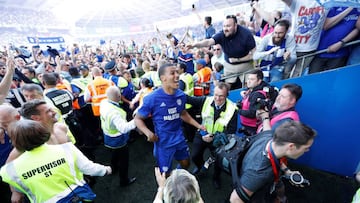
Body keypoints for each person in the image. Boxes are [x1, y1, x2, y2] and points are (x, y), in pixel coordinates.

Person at [0, 119, 112, 203]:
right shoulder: (66, 148)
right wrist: (105, 170)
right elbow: (89, 168)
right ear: (41, 132)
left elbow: (19, 191)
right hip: (79, 196)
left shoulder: (8, 171)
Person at [134, 63, 204, 175]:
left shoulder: (181, 95)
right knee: (165, 174)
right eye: (172, 73)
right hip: (163, 143)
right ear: (163, 78)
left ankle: (176, 177)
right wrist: (148, 133)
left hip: (179, 138)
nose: (177, 75)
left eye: (177, 72)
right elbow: (138, 119)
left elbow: (182, 113)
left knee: (186, 164)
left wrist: (198, 125)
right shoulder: (152, 98)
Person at [229, 120, 316, 203]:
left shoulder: (269, 138)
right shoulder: (259, 172)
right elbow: (235, 199)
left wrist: (287, 171)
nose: (307, 150)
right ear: (291, 146)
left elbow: (267, 130)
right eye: (305, 148)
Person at [187, 82, 238, 189]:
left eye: (221, 96)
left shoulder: (232, 109)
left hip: (217, 140)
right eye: (215, 95)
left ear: (226, 95)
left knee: (218, 161)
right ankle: (201, 166)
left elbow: (231, 130)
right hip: (202, 134)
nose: (217, 98)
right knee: (195, 156)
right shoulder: (206, 100)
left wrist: (214, 138)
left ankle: (216, 177)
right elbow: (189, 99)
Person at [187, 15, 256, 90]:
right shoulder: (222, 34)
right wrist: (194, 45)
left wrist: (238, 60)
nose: (225, 29)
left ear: (235, 25)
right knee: (226, 88)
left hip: (245, 65)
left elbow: (254, 54)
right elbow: (208, 42)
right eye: (224, 26)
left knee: (249, 87)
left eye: (228, 26)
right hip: (229, 66)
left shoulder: (246, 34)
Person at [279, 0, 328, 78]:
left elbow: (327, 23)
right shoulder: (298, 1)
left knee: (296, 76)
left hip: (309, 49)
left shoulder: (326, 3)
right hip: (292, 47)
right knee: (285, 73)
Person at [99, 86, 137, 187]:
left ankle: (113, 169)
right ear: (119, 96)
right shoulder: (115, 113)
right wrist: (136, 120)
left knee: (114, 155)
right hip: (118, 139)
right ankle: (124, 181)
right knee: (124, 161)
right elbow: (123, 128)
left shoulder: (103, 102)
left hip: (107, 135)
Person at [309, 7, 360, 74]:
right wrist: (350, 8)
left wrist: (341, 42)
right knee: (313, 79)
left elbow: (357, 29)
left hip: (340, 52)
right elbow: (326, 25)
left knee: (332, 80)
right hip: (321, 51)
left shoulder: (358, 8)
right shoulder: (333, 5)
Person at [238, 69, 270, 136]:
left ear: (259, 81)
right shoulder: (251, 90)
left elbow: (252, 113)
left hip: (252, 129)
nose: (248, 81)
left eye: (252, 79)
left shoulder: (257, 95)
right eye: (248, 79)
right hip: (249, 127)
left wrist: (238, 110)